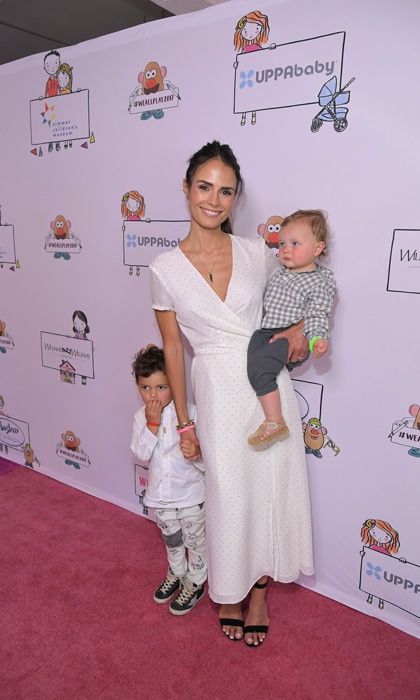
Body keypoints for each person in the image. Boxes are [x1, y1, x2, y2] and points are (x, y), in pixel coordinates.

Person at [149, 141, 314, 647]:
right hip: (216, 394)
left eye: (226, 191)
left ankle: (259, 594)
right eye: (204, 187)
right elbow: (174, 350)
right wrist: (183, 422)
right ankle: (228, 589)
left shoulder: (256, 255)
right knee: (228, 497)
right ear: (186, 189)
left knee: (269, 493)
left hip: (268, 394)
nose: (213, 201)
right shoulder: (164, 268)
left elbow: (292, 310)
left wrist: (298, 341)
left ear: (236, 198)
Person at [247, 210, 337, 448]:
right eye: (283, 243)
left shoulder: (318, 281)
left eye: (295, 244)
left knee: (260, 369)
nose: (285, 249)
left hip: (290, 335)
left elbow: (318, 313)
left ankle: (275, 421)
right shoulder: (281, 272)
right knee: (253, 362)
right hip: (267, 332)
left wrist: (316, 338)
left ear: (317, 249)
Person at [130, 344, 207, 615]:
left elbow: (209, 462)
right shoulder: (141, 417)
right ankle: (176, 572)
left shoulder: (192, 413)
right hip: (160, 499)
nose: (153, 395)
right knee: (172, 541)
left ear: (174, 383)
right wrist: (151, 425)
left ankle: (196, 582)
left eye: (161, 387)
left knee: (195, 542)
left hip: (190, 497)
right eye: (146, 388)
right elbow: (140, 454)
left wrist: (197, 452)